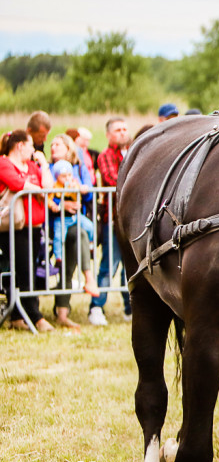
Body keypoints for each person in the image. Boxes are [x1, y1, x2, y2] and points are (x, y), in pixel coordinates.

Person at [0, 130, 55, 331]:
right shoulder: (3, 163)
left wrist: (44, 165)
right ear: (20, 145)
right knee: (24, 271)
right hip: (13, 228)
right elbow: (16, 184)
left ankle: (17, 317)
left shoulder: (32, 165)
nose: (34, 150)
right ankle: (35, 316)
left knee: (28, 270)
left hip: (34, 226)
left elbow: (48, 186)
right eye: (31, 145)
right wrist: (37, 189)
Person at [89, 117, 131, 325]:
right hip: (113, 219)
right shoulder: (105, 155)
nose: (122, 132)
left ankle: (130, 308)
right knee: (108, 265)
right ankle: (96, 307)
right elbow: (112, 179)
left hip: (133, 220)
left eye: (125, 128)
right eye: (117, 130)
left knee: (130, 266)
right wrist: (136, 180)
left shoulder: (135, 150)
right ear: (108, 135)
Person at [46, 159, 99, 295]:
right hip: (60, 219)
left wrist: (80, 188)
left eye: (69, 175)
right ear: (57, 176)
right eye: (64, 176)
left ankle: (92, 245)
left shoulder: (73, 184)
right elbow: (49, 199)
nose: (67, 178)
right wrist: (57, 206)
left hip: (76, 217)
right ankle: (58, 257)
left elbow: (85, 195)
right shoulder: (55, 187)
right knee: (59, 237)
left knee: (90, 226)